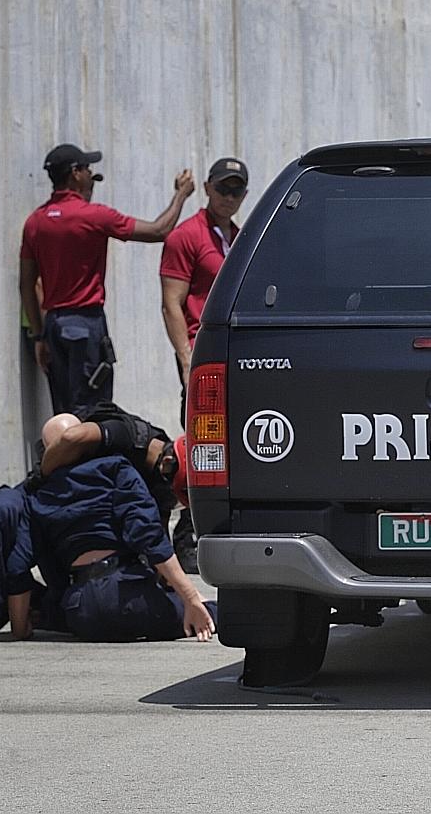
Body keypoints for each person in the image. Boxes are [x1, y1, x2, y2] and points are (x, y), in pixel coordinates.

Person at [0, 404, 190, 646]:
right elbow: (71, 438)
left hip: (82, 600)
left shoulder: (130, 474)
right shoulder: (124, 439)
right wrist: (189, 597)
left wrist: (165, 587)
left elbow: (155, 534)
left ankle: (46, 609)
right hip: (40, 486)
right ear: (166, 462)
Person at [19, 143, 195, 413]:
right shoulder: (94, 216)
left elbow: (27, 284)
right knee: (93, 412)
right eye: (88, 169)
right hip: (86, 324)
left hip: (54, 326)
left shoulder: (35, 222)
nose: (91, 175)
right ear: (75, 173)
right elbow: (159, 230)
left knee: (63, 414)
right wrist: (181, 195)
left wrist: (39, 335)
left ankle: (62, 456)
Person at [30, 414, 215, 643]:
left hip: (80, 609)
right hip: (126, 596)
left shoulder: (40, 495)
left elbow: (48, 562)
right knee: (212, 611)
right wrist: (190, 596)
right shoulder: (113, 468)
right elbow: (148, 535)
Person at [160, 156, 249, 571]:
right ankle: (186, 533)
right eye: (223, 189)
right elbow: (172, 303)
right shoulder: (186, 236)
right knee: (200, 447)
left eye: (237, 191)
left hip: (236, 356)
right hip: (202, 353)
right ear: (208, 188)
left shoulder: (239, 236)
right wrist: (185, 359)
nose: (229, 197)